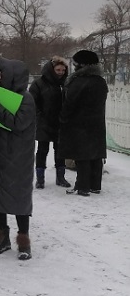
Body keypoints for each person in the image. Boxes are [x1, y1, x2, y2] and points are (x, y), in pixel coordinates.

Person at [0, 58, 37, 260]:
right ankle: (1, 235)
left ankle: (23, 239)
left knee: (19, 196)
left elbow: (18, 123)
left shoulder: (26, 98)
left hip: (18, 156)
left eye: (0, 74)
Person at [60, 50, 108, 196]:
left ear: (81, 64)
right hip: (97, 123)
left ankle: (82, 186)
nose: (74, 66)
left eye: (75, 63)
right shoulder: (100, 81)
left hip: (79, 124)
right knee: (96, 155)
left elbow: (70, 104)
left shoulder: (78, 82)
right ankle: (95, 185)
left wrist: (63, 118)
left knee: (82, 156)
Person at [29, 56, 70, 189]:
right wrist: (40, 116)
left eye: (63, 70)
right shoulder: (39, 84)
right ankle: (40, 179)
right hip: (44, 122)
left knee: (60, 151)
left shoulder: (66, 84)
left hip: (61, 122)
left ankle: (61, 177)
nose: (60, 72)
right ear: (51, 69)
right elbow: (33, 103)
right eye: (58, 70)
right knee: (42, 151)